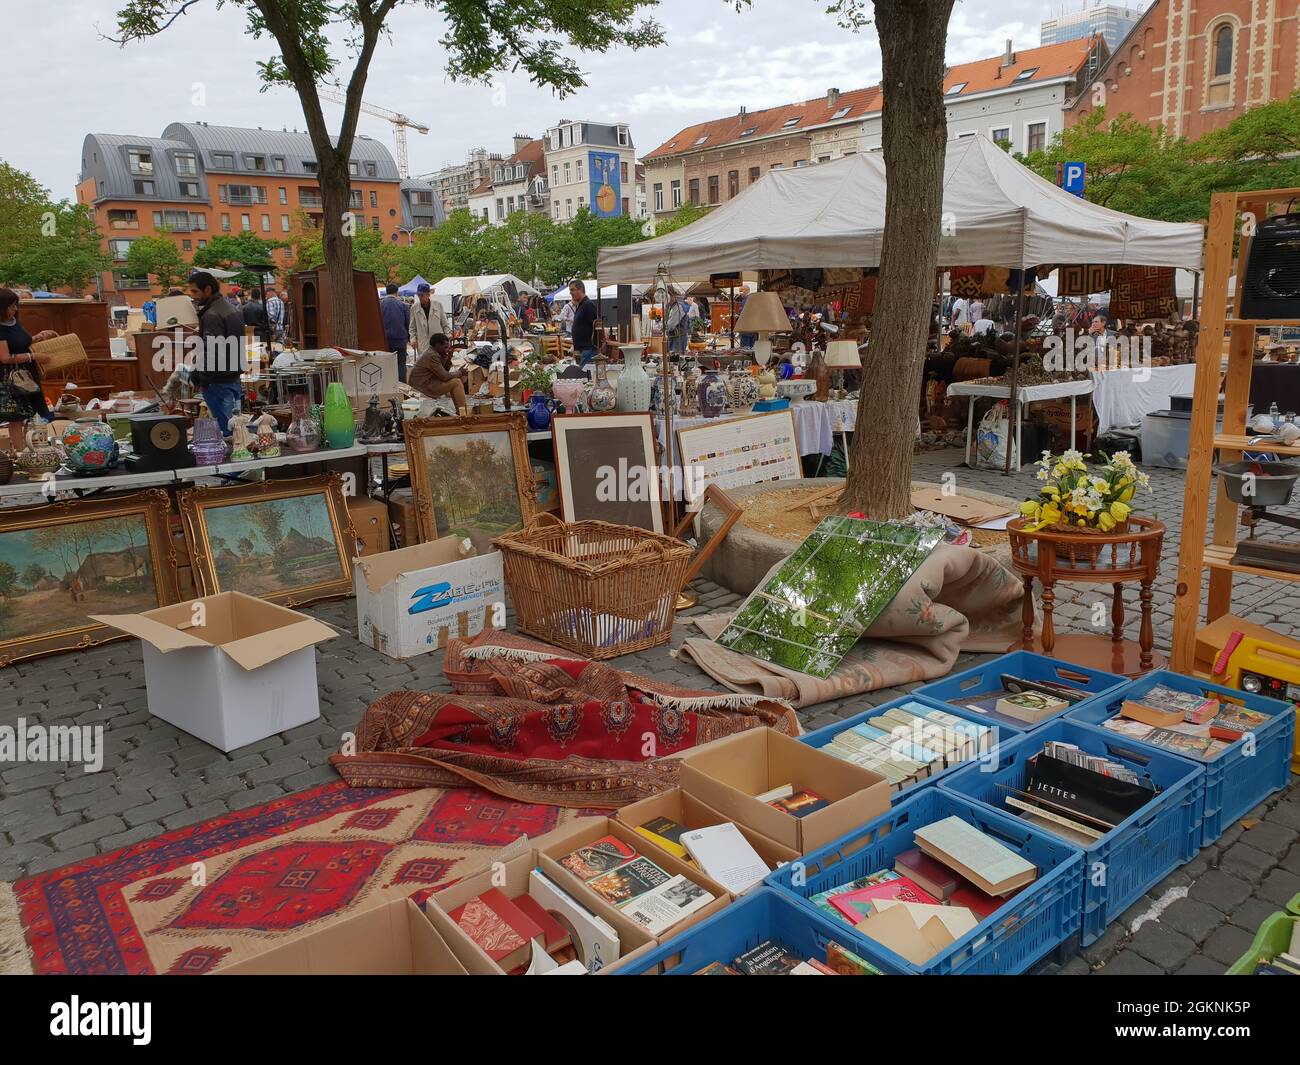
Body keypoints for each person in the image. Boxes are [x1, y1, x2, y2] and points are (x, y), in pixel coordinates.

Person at [187, 270, 246, 435]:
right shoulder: (231, 309)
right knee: (236, 425)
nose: (192, 295)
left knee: (229, 429)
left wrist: (199, 373)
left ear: (207, 289)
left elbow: (210, 349)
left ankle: (235, 456)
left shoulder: (212, 314)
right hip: (231, 376)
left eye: (194, 291)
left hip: (217, 379)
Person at [0, 287, 56, 450]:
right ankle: (20, 452)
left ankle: (30, 448)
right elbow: (5, 357)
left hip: (27, 374)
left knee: (32, 412)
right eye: (12, 306)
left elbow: (21, 342)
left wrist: (37, 337)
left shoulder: (14, 322)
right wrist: (34, 356)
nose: (15, 309)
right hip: (11, 378)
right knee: (16, 417)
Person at [409, 333, 467, 411]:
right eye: (445, 347)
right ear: (437, 345)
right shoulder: (432, 356)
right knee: (456, 382)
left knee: (454, 381)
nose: (447, 349)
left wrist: (448, 356)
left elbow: (443, 371)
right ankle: (463, 412)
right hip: (422, 388)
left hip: (425, 383)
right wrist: (460, 372)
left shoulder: (433, 352)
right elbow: (445, 377)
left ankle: (460, 411)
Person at [409, 282, 448, 364]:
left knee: (438, 364)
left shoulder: (438, 305)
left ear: (428, 294)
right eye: (419, 295)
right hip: (423, 343)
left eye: (422, 295)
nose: (420, 297)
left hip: (438, 342)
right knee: (425, 366)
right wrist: (413, 339)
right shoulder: (414, 308)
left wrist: (447, 336)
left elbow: (445, 323)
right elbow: (412, 327)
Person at [380, 283, 412, 383]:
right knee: (401, 364)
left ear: (386, 291)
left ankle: (388, 385)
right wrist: (409, 338)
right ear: (397, 292)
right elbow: (408, 323)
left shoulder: (380, 305)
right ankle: (402, 387)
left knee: (386, 363)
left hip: (385, 339)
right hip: (400, 339)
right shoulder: (403, 305)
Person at [569, 280, 598, 366]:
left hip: (588, 350)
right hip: (584, 351)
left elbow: (597, 326)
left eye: (572, 290)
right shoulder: (582, 305)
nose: (570, 293)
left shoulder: (588, 305)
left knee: (585, 376)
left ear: (580, 289)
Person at [665, 291, 689, 356]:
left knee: (676, 360)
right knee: (671, 359)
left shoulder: (678, 306)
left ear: (673, 296)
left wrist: (663, 327)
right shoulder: (670, 306)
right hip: (673, 337)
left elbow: (671, 325)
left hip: (678, 339)